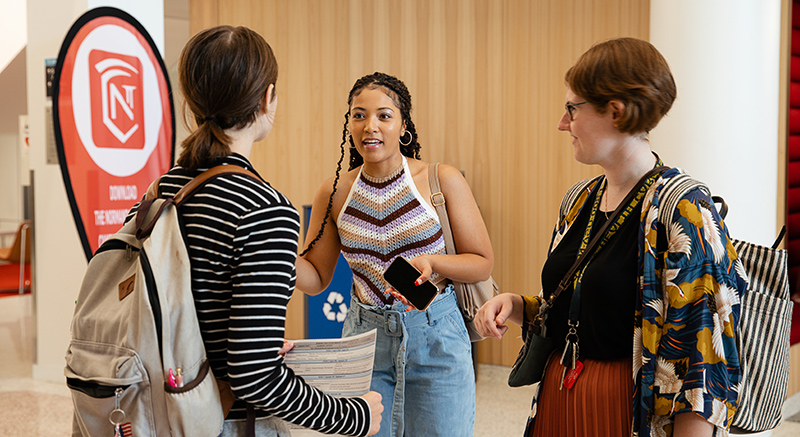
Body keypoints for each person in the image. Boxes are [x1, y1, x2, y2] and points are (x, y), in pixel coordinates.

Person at [475, 37, 747, 437]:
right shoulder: (579, 199)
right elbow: (585, 311)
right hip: (558, 396)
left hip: (626, 408)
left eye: (572, 108)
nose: (562, 123)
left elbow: (702, 364)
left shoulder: (682, 210)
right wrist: (517, 305)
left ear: (615, 112)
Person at [129, 26, 382, 436]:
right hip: (216, 420)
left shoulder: (160, 192)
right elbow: (255, 377)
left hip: (154, 409)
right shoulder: (264, 209)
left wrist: (253, 340)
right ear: (267, 98)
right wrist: (353, 415)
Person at [296, 72, 494, 437]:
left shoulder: (441, 179)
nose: (370, 126)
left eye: (384, 116)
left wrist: (434, 263)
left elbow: (481, 262)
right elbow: (315, 278)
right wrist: (273, 256)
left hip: (436, 340)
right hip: (365, 343)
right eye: (359, 115)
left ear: (403, 126)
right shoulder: (335, 192)